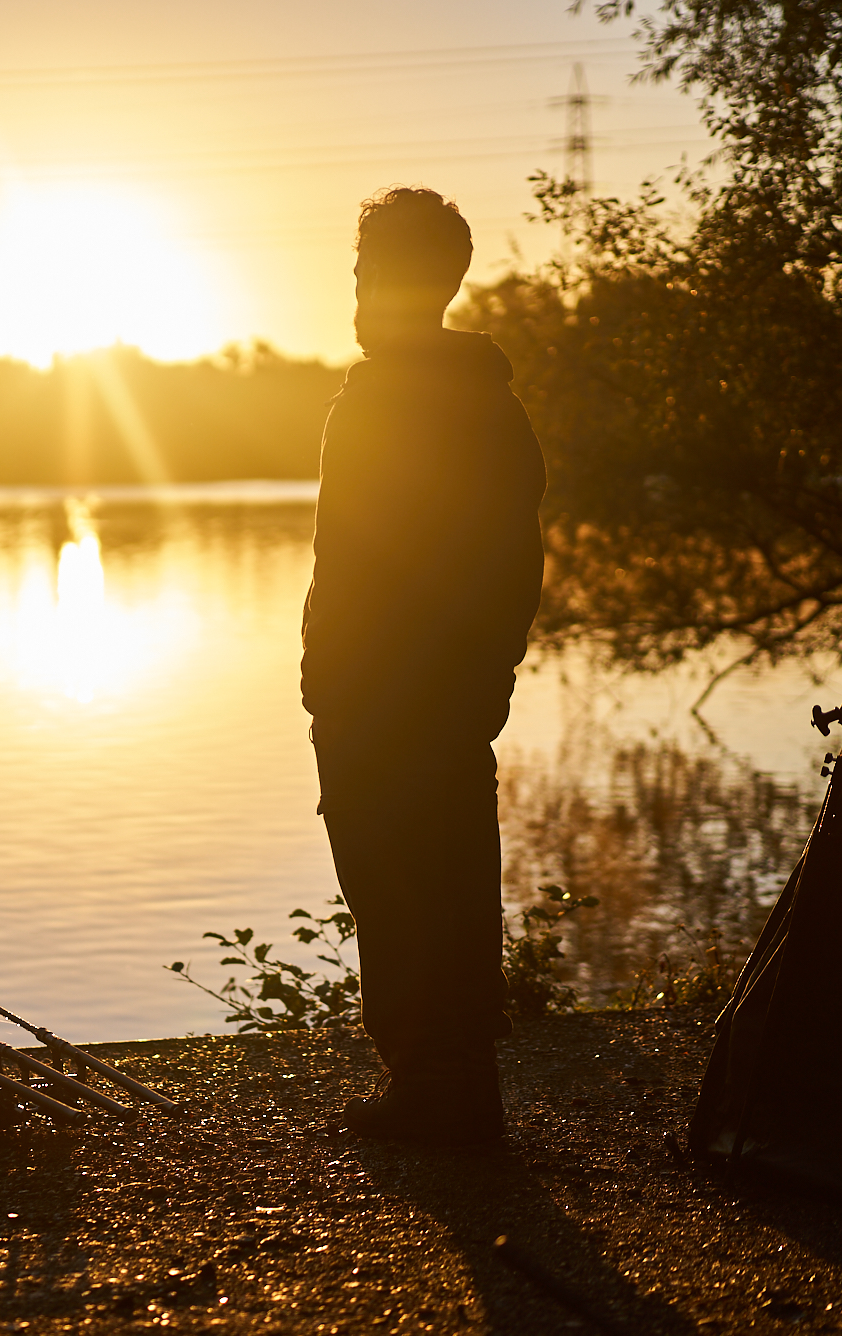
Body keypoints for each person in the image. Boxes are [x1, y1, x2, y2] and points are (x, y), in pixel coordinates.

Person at [301, 187, 546, 1143]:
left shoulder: (401, 404)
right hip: (420, 696)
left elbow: (386, 562)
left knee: (408, 882)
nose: (358, 294)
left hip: (394, 698)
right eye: (359, 275)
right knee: (431, 879)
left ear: (417, 285)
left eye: (370, 275)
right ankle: (447, 1084)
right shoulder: (486, 402)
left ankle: (438, 1089)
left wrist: (347, 682)